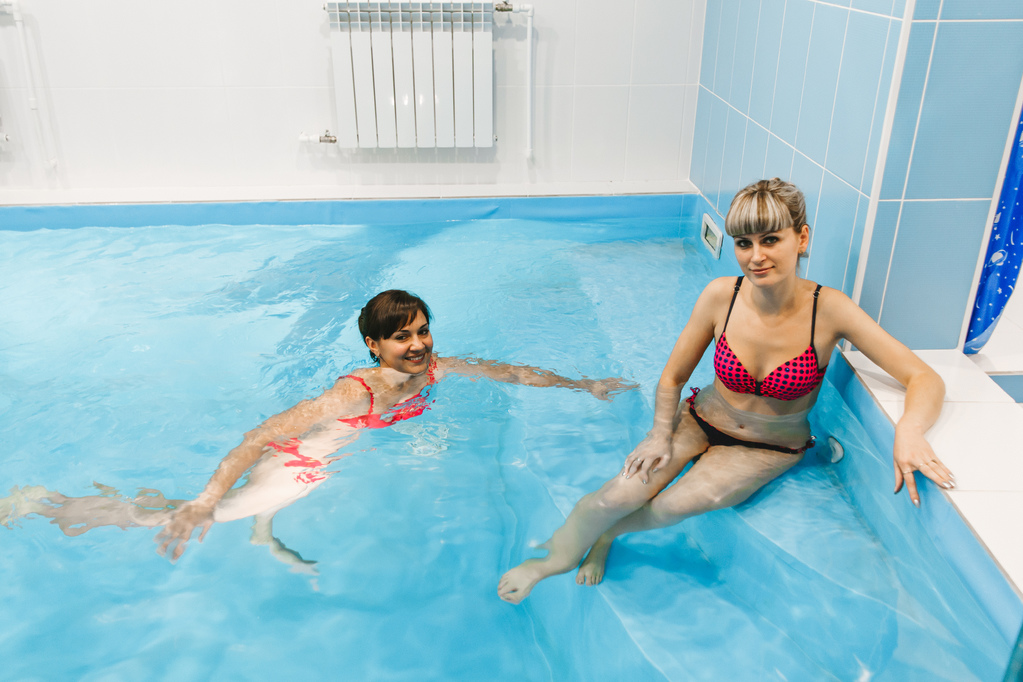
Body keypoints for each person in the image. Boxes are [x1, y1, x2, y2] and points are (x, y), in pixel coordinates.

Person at [498, 178, 954, 604]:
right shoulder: (722, 296)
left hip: (768, 447)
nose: (756, 256)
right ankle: (551, 561)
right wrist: (659, 433)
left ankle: (608, 536)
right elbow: (672, 378)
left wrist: (910, 430)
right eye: (744, 243)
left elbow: (924, 377)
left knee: (676, 504)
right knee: (617, 494)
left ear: (802, 238)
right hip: (700, 419)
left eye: (770, 240)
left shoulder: (830, 310)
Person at [1, 290, 633, 570]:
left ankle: (262, 529)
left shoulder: (434, 367)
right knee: (189, 517)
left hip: (327, 460)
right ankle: (44, 503)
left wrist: (583, 386)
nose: (418, 344)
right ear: (374, 345)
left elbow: (510, 372)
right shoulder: (355, 391)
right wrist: (205, 496)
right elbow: (261, 435)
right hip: (299, 460)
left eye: (422, 330)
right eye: (402, 337)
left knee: (252, 510)